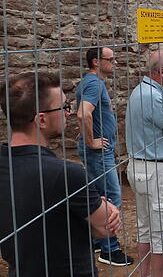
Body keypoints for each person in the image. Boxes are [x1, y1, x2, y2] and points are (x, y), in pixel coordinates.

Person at [0, 72, 120, 276]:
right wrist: (97, 208)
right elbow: (105, 227)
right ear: (41, 120)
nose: (69, 113)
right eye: (64, 107)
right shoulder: (66, 174)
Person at [126, 50, 163, 277]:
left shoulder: (140, 92)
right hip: (157, 170)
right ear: (162, 72)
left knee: (146, 229)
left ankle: (144, 274)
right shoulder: (155, 97)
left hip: (140, 166)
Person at [76, 47, 134, 266]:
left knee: (98, 196)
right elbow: (83, 113)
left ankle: (97, 241)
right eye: (111, 59)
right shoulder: (93, 84)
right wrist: (91, 141)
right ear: (96, 62)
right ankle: (109, 249)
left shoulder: (88, 82)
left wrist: (86, 134)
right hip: (99, 152)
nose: (115, 63)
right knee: (112, 197)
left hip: (98, 151)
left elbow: (84, 114)